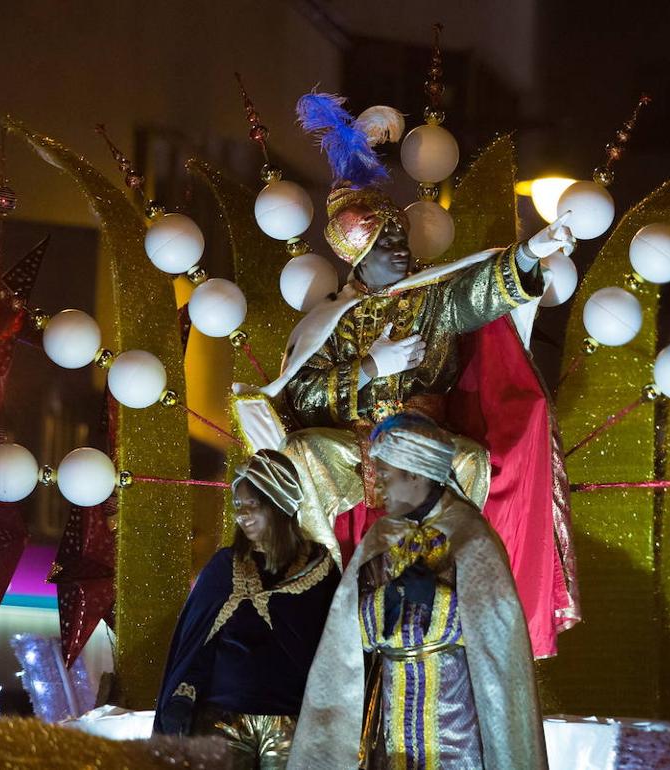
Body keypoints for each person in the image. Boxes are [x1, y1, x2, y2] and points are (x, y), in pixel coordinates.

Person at [240, 91, 580, 658]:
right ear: (358, 257)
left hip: (420, 441)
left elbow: (473, 298)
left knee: (471, 462)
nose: (400, 250)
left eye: (400, 238)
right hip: (353, 446)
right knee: (297, 457)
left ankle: (457, 580)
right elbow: (302, 389)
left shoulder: (427, 301)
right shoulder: (329, 319)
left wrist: (528, 256)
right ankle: (319, 586)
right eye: (385, 243)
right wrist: (371, 368)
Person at [288, 412, 547, 770]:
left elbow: (495, 633)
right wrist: (391, 598)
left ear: (415, 474)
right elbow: (350, 631)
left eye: (386, 477)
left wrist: (434, 599)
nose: (377, 489)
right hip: (390, 718)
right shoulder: (380, 538)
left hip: (454, 721)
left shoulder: (471, 535)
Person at [154, 450, 339, 770]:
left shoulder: (320, 570)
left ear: (280, 505)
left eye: (253, 505)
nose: (243, 515)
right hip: (222, 721)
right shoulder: (224, 567)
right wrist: (182, 699)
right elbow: (197, 645)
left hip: (292, 723)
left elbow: (335, 651)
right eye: (238, 506)